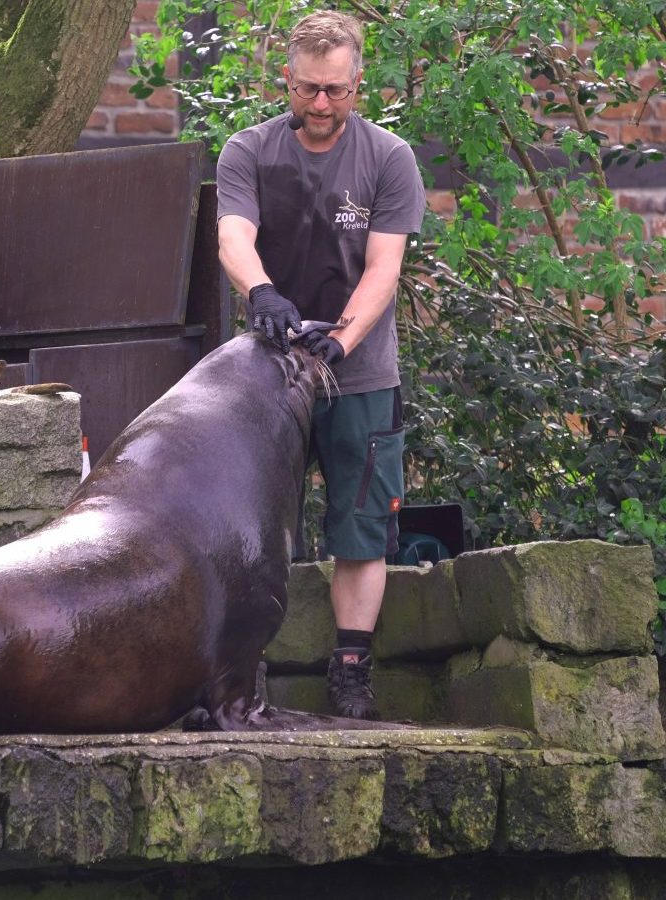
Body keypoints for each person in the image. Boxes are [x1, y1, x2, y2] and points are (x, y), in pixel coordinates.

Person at [215, 9, 426, 719]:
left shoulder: (388, 159)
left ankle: (350, 675)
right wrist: (262, 291)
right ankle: (243, 674)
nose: (321, 104)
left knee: (360, 526)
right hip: (265, 376)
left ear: (358, 83)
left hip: (360, 373)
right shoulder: (249, 151)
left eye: (336, 91)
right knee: (247, 528)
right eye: (308, 90)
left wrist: (342, 338)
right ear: (288, 80)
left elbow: (384, 268)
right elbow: (233, 238)